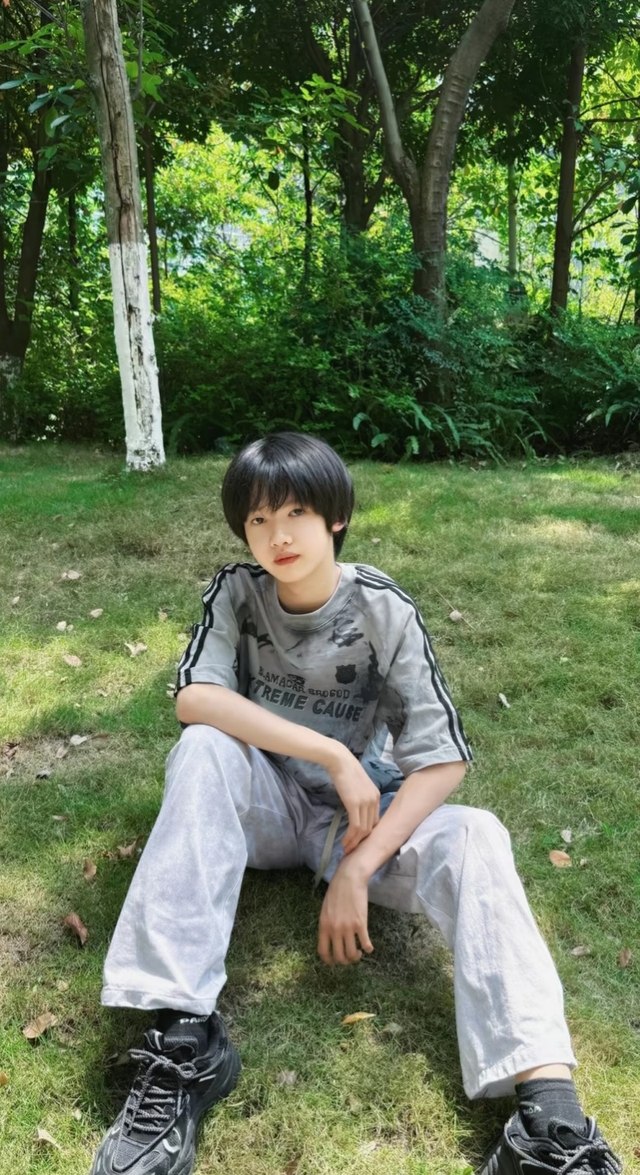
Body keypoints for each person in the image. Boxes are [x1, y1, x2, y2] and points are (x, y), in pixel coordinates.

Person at [91, 432, 622, 1175]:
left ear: (335, 516)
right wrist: (332, 754)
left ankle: (549, 1117)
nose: (277, 536)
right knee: (204, 747)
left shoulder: (382, 609)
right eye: (258, 519)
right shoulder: (237, 593)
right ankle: (184, 1040)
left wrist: (360, 865)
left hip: (360, 824)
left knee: (477, 834)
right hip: (267, 803)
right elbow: (195, 698)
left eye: (296, 513)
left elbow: (442, 759)